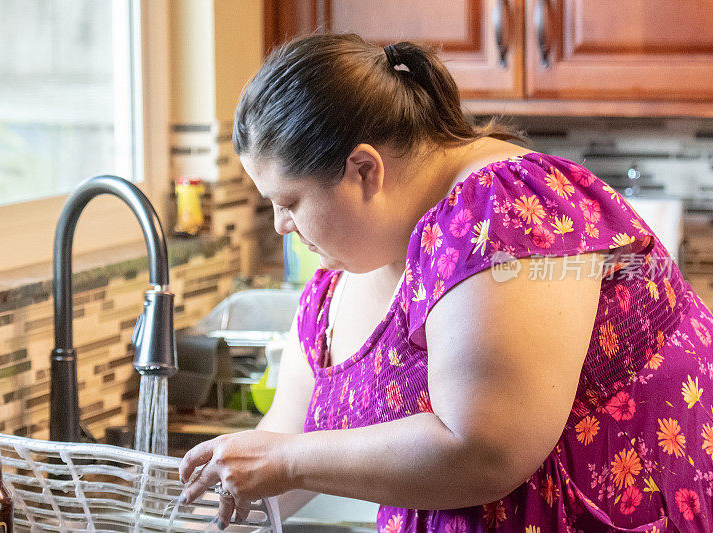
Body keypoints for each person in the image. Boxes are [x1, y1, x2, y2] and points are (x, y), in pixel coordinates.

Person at [178, 33, 713, 532]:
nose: (279, 225)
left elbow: (483, 448)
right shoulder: (342, 282)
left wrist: (287, 462)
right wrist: (183, 518)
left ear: (364, 171)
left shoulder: (504, 210)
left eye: (289, 201)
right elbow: (282, 442)